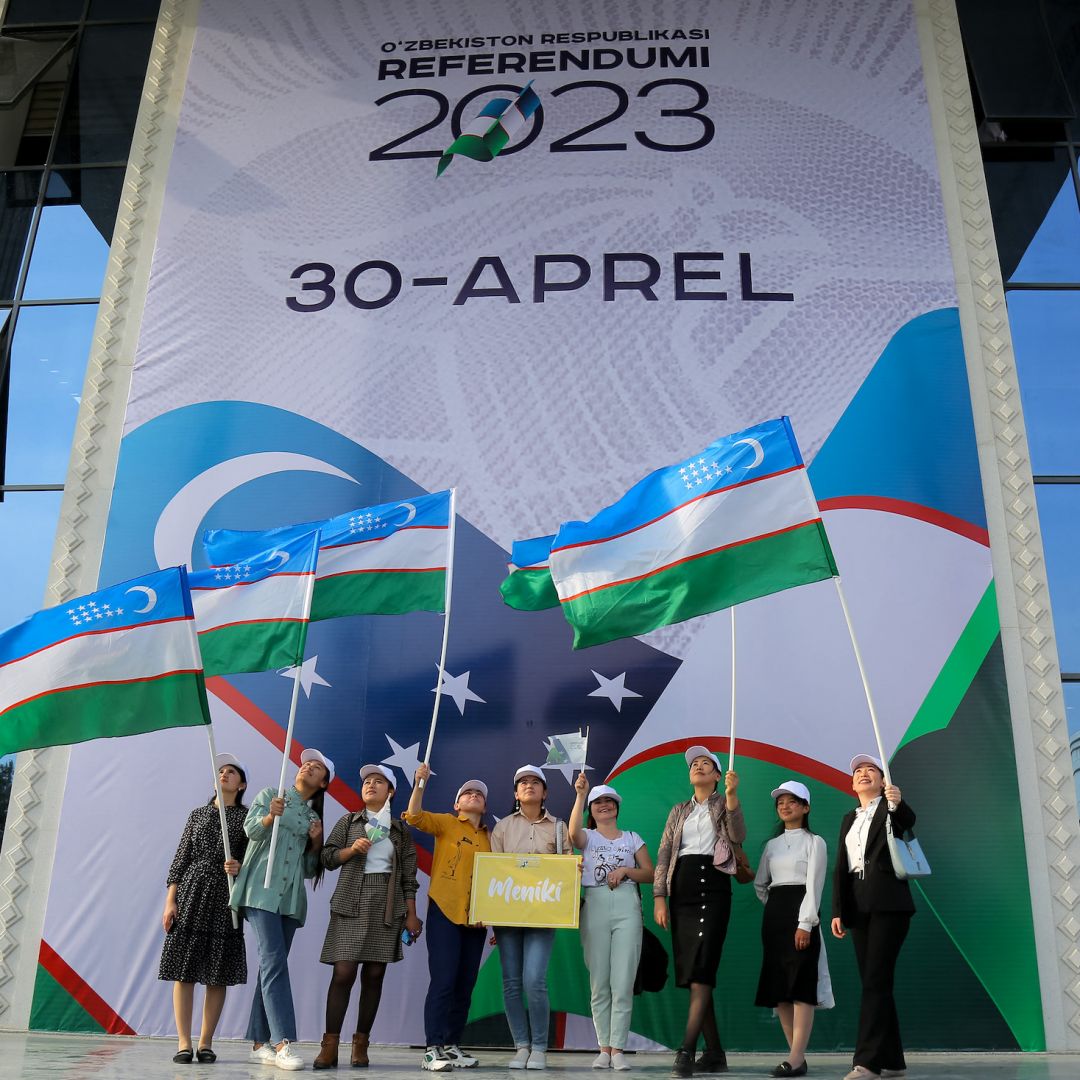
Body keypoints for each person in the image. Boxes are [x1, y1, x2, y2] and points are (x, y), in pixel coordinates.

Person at [313, 763, 420, 1070]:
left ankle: (361, 1044)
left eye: (379, 781)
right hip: (351, 902)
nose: (371, 785)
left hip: (387, 907)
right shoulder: (349, 821)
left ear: (392, 791)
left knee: (374, 976)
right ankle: (329, 1045)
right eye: (367, 782)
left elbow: (408, 878)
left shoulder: (400, 830)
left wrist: (411, 915)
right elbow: (327, 857)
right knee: (343, 973)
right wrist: (351, 851)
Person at [231, 747, 331, 1072]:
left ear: (323, 783)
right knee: (274, 962)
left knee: (270, 967)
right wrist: (270, 815)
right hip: (260, 890)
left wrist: (316, 844)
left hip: (289, 899)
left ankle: (259, 1042)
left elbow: (307, 869)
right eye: (306, 764)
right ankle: (283, 1042)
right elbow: (251, 832)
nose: (307, 768)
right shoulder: (272, 795)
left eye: (315, 768)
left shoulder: (313, 819)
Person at [652, 745, 744, 1078]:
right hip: (682, 891)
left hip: (715, 888)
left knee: (703, 968)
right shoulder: (678, 810)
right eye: (694, 764)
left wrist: (732, 798)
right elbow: (664, 855)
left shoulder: (724, 803)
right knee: (694, 975)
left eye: (707, 763)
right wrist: (660, 896)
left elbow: (737, 836)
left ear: (718, 776)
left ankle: (686, 1050)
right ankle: (715, 1053)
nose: (699, 766)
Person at [159, 753, 250, 1064]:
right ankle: (183, 1042)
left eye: (231, 772)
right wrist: (172, 899)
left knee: (217, 973)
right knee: (183, 970)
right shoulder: (197, 815)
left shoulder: (248, 818)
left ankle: (206, 1041)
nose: (224, 774)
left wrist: (240, 866)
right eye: (220, 771)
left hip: (227, 898)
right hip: (192, 891)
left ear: (242, 784)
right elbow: (181, 858)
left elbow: (254, 861)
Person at [831, 755, 916, 1080]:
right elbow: (842, 867)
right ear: (852, 784)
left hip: (890, 904)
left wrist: (897, 803)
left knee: (876, 981)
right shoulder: (848, 818)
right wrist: (839, 911)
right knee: (874, 982)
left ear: (882, 781)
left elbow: (908, 822)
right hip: (858, 906)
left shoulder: (890, 808)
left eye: (870, 770)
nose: (863, 774)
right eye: (857, 772)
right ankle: (893, 1061)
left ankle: (867, 1062)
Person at [405, 761, 491, 1072]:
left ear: (484, 804)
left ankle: (452, 1044)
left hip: (477, 919)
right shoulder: (445, 823)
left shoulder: (491, 837)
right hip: (444, 910)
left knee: (465, 984)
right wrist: (419, 784)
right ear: (457, 804)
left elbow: (501, 881)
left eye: (479, 794)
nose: (473, 795)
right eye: (467, 793)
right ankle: (433, 1048)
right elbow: (414, 816)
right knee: (443, 981)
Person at [569, 774, 655, 1072]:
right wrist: (580, 795)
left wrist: (627, 871)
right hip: (594, 903)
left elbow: (651, 873)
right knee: (599, 981)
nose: (604, 806)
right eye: (597, 803)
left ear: (617, 807)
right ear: (591, 811)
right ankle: (603, 1047)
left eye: (609, 801)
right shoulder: (587, 837)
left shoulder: (632, 838)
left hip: (627, 905)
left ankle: (618, 1048)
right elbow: (572, 835)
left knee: (622, 980)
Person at [490, 764, 571, 1071]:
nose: (529, 786)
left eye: (535, 782)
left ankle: (539, 1046)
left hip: (543, 916)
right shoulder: (502, 828)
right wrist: (492, 912)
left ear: (545, 792)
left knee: (534, 981)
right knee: (511, 983)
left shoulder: (559, 828)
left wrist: (571, 868)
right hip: (508, 918)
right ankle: (520, 1045)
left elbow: (566, 869)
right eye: (522, 782)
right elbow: (492, 875)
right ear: (515, 793)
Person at [753, 780, 833, 1078]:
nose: (785, 806)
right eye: (780, 802)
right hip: (774, 919)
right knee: (781, 991)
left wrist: (804, 923)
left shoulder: (815, 842)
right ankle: (795, 1056)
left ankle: (796, 1057)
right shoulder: (771, 846)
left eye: (792, 801)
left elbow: (814, 887)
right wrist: (776, 909)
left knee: (801, 986)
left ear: (806, 807)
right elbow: (761, 884)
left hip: (803, 916)